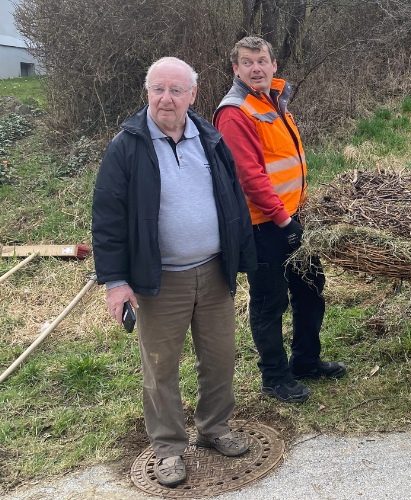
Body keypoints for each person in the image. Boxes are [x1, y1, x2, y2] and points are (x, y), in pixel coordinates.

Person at [92, 57, 257, 487]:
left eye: (176, 90)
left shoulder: (210, 138)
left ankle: (215, 428)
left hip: (215, 271)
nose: (166, 99)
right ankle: (167, 448)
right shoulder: (126, 147)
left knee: (220, 358)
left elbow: (233, 202)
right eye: (158, 89)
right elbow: (108, 219)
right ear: (147, 92)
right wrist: (115, 281)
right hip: (160, 279)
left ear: (193, 95)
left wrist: (243, 258)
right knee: (160, 368)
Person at [214, 36, 346, 404]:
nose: (256, 68)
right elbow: (250, 176)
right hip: (265, 226)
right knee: (270, 301)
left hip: (294, 218)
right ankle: (274, 377)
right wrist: (283, 219)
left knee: (310, 290)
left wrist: (300, 213)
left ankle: (306, 361)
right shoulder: (235, 111)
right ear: (235, 69)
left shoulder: (273, 100)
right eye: (247, 62)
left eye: (262, 61)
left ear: (273, 65)